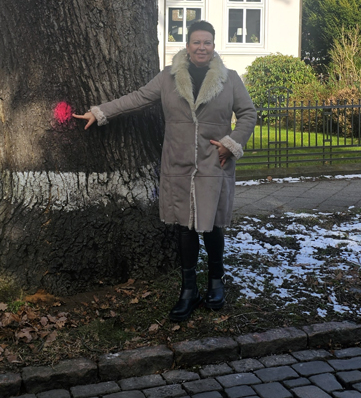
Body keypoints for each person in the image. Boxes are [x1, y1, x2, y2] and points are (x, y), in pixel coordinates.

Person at [75, 20, 256, 321]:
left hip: (215, 162)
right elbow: (136, 99)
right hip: (179, 163)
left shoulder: (230, 79)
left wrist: (232, 143)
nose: (202, 47)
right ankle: (188, 290)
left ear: (213, 46)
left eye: (207, 42)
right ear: (187, 46)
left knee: (212, 226)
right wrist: (100, 111)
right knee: (185, 228)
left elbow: (248, 114)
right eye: (196, 42)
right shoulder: (168, 78)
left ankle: (215, 282)